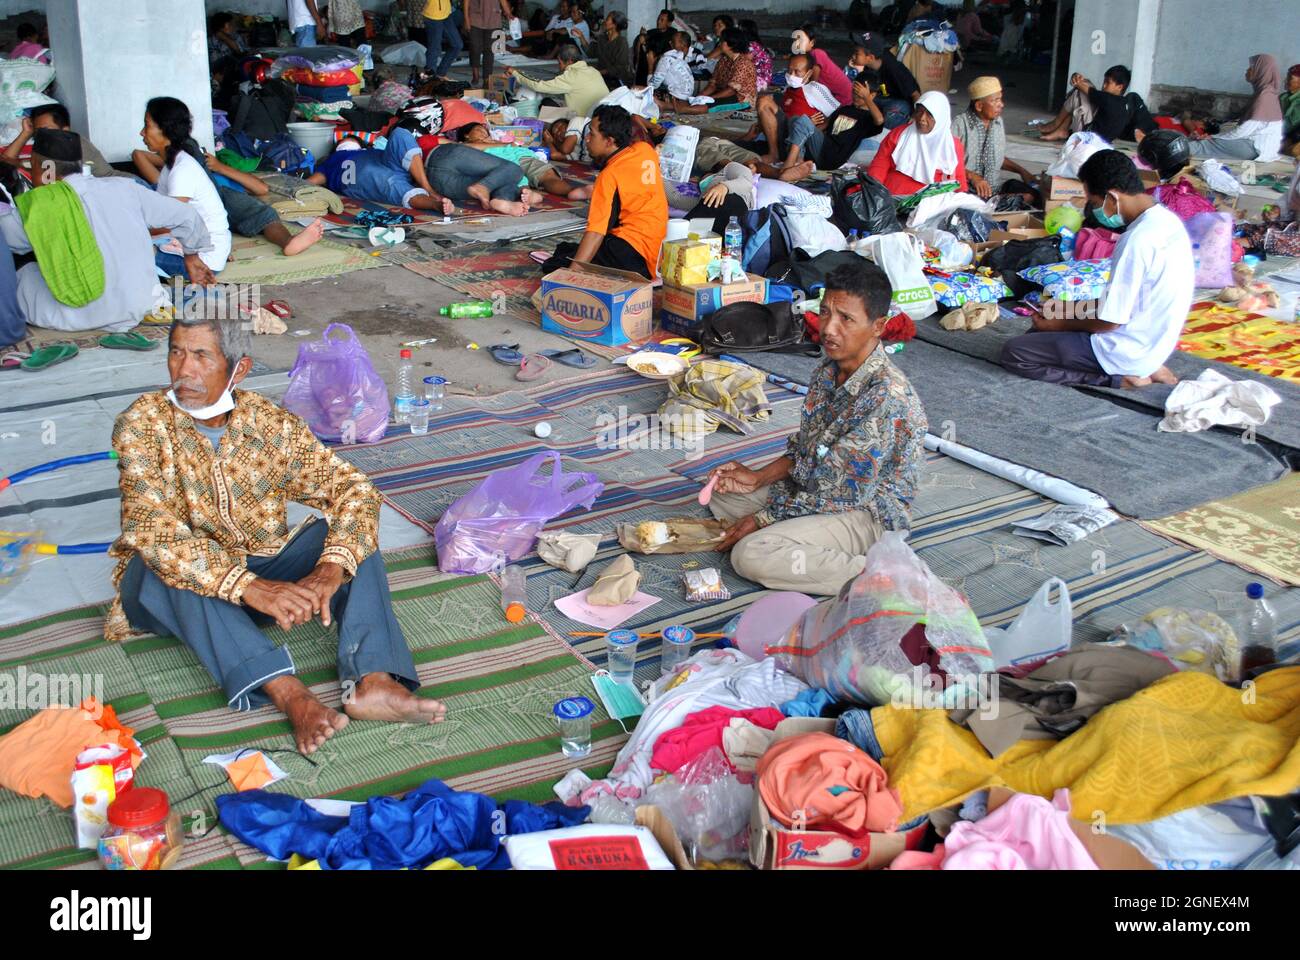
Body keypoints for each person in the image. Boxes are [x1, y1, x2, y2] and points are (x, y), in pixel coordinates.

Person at [108, 315, 444, 754]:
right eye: (177, 352)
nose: (184, 370)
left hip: (262, 571)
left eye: (202, 356)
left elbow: (354, 490)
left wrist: (330, 569)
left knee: (344, 536)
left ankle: (373, 681)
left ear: (239, 369)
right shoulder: (142, 422)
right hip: (182, 596)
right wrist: (248, 586)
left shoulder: (270, 424)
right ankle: (291, 695)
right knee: (156, 564)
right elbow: (148, 527)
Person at [707, 260, 926, 596]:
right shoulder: (827, 371)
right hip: (821, 488)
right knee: (724, 495)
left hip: (866, 512)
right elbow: (810, 451)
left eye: (846, 319)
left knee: (751, 554)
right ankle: (801, 539)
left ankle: (887, 580)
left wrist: (765, 518)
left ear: (878, 326)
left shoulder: (886, 397)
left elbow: (839, 491)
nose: (828, 329)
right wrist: (758, 477)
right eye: (825, 313)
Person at [999, 150, 1191, 390]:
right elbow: (1129, 301)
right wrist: (1068, 309)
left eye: (1094, 202)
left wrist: (1058, 324)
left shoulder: (1137, 240)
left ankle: (1122, 378)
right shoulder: (1167, 222)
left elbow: (1111, 321)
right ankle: (1147, 365)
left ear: (1112, 197)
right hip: (1153, 341)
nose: (1095, 210)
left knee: (1016, 353)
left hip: (1124, 348)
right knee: (1038, 330)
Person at [0, 129, 215, 333]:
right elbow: (186, 215)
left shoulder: (41, 206)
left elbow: (6, 239)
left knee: (21, 271)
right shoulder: (125, 187)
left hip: (79, 316)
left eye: (33, 166)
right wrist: (191, 256)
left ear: (46, 169)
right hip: (141, 304)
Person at [542, 104, 667, 279]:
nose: (586, 139)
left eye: (592, 134)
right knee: (568, 249)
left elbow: (596, 231)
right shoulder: (645, 150)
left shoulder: (609, 176)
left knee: (556, 263)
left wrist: (572, 274)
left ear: (609, 141)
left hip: (630, 254)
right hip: (656, 251)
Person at [127, 98, 231, 280]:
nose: (142, 132)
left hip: (204, 260)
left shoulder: (182, 170)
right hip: (197, 247)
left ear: (166, 130)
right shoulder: (172, 165)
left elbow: (173, 223)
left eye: (147, 125)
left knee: (120, 253)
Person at [951, 75, 1038, 201]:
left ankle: (995, 203)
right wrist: (972, 176)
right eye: (995, 101)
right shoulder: (959, 124)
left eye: (1000, 99)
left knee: (1033, 195)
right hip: (967, 190)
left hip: (995, 189)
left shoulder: (998, 123)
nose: (1001, 105)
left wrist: (1022, 171)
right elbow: (945, 163)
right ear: (979, 106)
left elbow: (997, 158)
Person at [1185, 54, 1285, 163]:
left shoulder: (1265, 96)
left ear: (1260, 71)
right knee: (1208, 140)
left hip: (1254, 148)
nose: (1247, 71)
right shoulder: (1266, 93)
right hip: (1259, 146)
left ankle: (1173, 151)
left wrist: (1214, 137)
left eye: (1251, 68)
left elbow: (1243, 130)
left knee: (1205, 144)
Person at [867, 91, 968, 196]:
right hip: (892, 197)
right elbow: (879, 165)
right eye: (919, 112)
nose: (922, 118)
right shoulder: (899, 134)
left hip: (931, 203)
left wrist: (961, 201)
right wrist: (874, 192)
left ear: (941, 117)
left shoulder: (951, 146)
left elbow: (959, 180)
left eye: (930, 114)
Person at [457, 121, 591, 199]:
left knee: (547, 175)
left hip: (522, 156)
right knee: (518, 185)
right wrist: (504, 144)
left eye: (484, 130)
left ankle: (572, 192)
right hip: (500, 165)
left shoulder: (496, 139)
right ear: (467, 135)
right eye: (478, 130)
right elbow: (469, 147)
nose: (483, 132)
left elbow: (517, 146)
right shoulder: (465, 146)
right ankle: (527, 196)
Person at [3, 103, 131, 180]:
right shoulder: (46, 148)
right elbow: (6, 160)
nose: (43, 136)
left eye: (47, 130)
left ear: (65, 130)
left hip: (127, 186)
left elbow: (50, 176)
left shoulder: (74, 145)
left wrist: (18, 164)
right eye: (38, 132)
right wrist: (26, 133)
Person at [784, 75, 884, 172]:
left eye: (860, 95)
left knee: (803, 121)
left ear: (872, 95)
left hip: (833, 158)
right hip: (821, 148)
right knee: (796, 119)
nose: (855, 97)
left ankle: (789, 165)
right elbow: (823, 127)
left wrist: (866, 97)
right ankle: (798, 161)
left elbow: (879, 120)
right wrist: (807, 127)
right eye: (854, 92)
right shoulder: (844, 109)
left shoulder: (868, 118)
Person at [1038, 65, 1156, 143]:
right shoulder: (1121, 102)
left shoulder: (1109, 100)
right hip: (1101, 138)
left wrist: (1076, 78)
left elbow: (1081, 86)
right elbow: (1086, 87)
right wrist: (1078, 78)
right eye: (1104, 81)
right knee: (1084, 91)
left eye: (1107, 83)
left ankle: (1057, 124)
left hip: (1088, 136)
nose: (1103, 86)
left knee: (1079, 93)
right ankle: (1062, 129)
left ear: (1120, 87)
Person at [666, 27, 755, 115]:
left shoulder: (743, 63)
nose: (720, 43)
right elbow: (712, 84)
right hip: (725, 93)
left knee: (713, 103)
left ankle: (683, 110)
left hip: (742, 99)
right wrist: (700, 96)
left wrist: (709, 97)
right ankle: (666, 106)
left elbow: (731, 91)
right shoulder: (723, 60)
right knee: (695, 99)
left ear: (731, 44)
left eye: (722, 40)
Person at [507, 43, 609, 117]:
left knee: (544, 109)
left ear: (569, 61)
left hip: (584, 119)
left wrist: (515, 73)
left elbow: (538, 86)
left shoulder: (571, 76)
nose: (558, 66)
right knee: (551, 102)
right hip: (601, 115)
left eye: (559, 63)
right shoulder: (593, 70)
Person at [856, 31, 921, 128]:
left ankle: (884, 135)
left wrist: (915, 116)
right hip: (879, 97)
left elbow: (916, 95)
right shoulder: (868, 66)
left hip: (898, 102)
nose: (853, 56)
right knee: (857, 103)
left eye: (857, 54)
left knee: (892, 115)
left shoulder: (894, 68)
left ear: (870, 57)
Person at [791, 24, 852, 106]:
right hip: (834, 94)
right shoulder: (805, 57)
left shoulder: (816, 54)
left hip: (843, 96)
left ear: (812, 43)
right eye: (795, 40)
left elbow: (813, 83)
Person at [465, 0, 513, 87]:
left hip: (493, 20)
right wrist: (466, 19)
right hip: (475, 18)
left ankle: (487, 79)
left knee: (490, 51)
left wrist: (508, 13)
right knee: (475, 47)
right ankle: (475, 72)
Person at [646, 31, 695, 105]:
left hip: (677, 98)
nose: (670, 42)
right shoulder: (679, 57)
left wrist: (650, 66)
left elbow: (651, 86)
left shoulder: (665, 60)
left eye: (673, 41)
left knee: (637, 89)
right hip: (686, 97)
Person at [634, 8, 676, 86]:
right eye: (658, 19)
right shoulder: (652, 32)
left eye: (662, 20)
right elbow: (639, 52)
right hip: (644, 66)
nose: (658, 21)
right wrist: (641, 39)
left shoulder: (673, 35)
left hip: (659, 68)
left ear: (669, 23)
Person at [422, 0, 463, 79]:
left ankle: (440, 73)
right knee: (435, 48)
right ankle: (431, 78)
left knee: (457, 45)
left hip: (446, 14)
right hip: (432, 16)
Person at [593, 11, 632, 88]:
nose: (604, 21)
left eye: (607, 19)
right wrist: (581, 36)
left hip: (616, 82)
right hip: (601, 78)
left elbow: (620, 68)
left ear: (614, 24)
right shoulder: (602, 38)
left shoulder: (621, 42)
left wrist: (600, 72)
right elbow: (591, 53)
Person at [740, 20, 774, 94]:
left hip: (760, 82)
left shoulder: (751, 45)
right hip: (763, 80)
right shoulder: (754, 43)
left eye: (739, 29)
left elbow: (742, 63)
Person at [1282, 63, 1300, 157]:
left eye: (1290, 78)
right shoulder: (1282, 98)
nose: (1285, 81)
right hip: (1278, 137)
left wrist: (1289, 138)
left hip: (1294, 139)